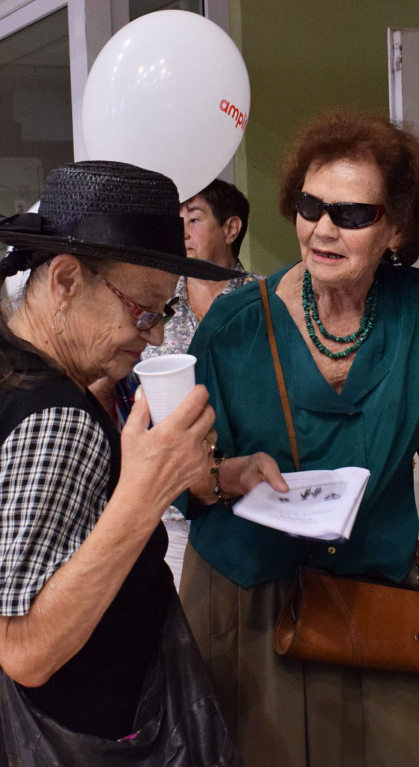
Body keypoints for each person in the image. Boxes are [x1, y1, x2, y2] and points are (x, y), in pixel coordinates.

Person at [179, 112, 419, 767]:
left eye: (351, 213)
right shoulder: (235, 326)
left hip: (375, 605)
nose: (323, 228)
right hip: (251, 606)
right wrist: (228, 476)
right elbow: (184, 481)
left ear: (398, 227)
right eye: (309, 205)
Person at [0, 161, 256, 767]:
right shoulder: (53, 420)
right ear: (67, 280)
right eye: (144, 310)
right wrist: (146, 490)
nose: (155, 333)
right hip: (46, 766)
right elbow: (26, 649)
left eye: (164, 313)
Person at [113, 179, 258, 589]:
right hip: (169, 503)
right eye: (178, 221)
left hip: (246, 499)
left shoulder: (265, 300)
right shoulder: (157, 303)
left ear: (231, 229)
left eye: (194, 220)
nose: (182, 233)